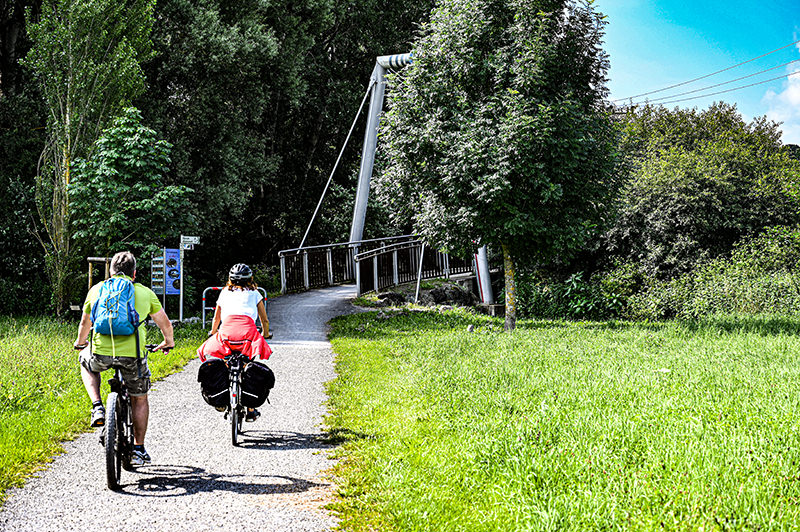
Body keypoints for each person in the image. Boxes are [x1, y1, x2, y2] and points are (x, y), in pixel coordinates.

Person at [74, 251, 174, 466]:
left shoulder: (97, 289)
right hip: (133, 357)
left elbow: (85, 324)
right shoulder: (145, 293)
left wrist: (81, 343)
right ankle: (138, 448)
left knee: (85, 360)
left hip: (101, 353)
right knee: (139, 397)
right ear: (134, 273)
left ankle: (97, 406)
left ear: (110, 272)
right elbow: (165, 324)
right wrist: (168, 342)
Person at [197, 263, 272, 421]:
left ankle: (222, 399)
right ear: (250, 278)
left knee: (225, 362)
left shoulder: (224, 293)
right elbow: (264, 319)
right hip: (247, 333)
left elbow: (217, 317)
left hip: (227, 332)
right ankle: (251, 410)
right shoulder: (255, 293)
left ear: (230, 279)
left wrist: (213, 332)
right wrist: (265, 334)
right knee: (248, 365)